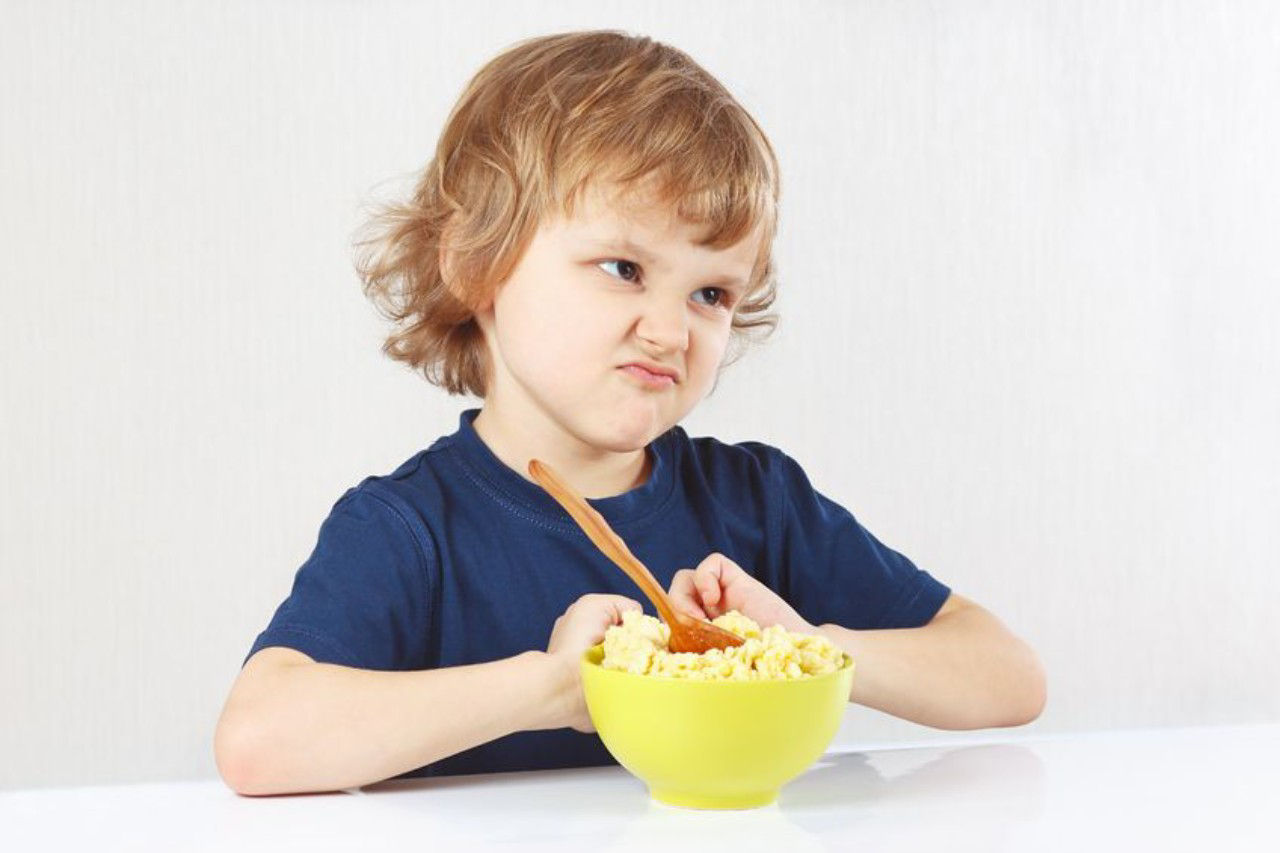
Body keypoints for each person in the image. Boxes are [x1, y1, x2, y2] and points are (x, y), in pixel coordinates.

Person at [214, 30, 1046, 797]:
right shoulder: (408, 528)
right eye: (622, 267)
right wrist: (550, 686)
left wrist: (803, 648)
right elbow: (257, 738)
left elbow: (1009, 676)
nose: (671, 330)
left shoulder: (757, 502)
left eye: (712, 292)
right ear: (476, 264)